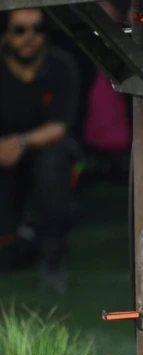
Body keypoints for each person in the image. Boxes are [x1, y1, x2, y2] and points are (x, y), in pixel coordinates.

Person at [0, 8, 80, 292]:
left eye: (37, 29)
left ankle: (53, 262)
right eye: (19, 30)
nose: (29, 37)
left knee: (53, 161)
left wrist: (21, 143)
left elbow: (59, 126)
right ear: (6, 35)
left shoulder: (61, 66)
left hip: (44, 153)